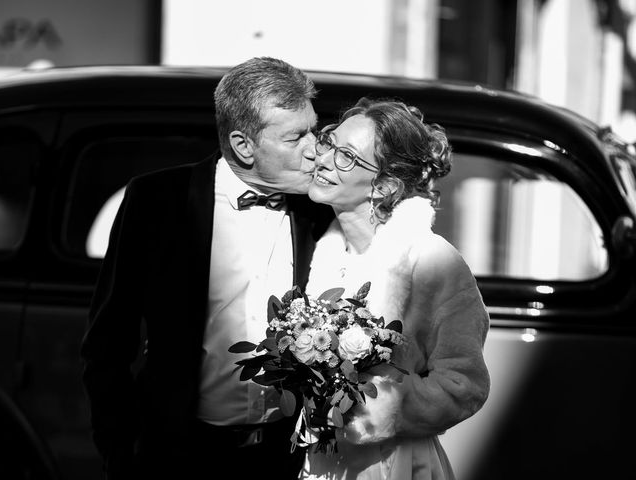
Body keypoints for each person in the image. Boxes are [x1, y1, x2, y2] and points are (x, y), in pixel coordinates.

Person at [80, 57, 331, 480]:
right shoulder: (158, 201)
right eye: (295, 138)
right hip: (181, 456)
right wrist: (120, 455)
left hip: (286, 458)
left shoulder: (320, 210)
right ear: (243, 145)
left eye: (314, 131)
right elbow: (108, 341)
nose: (314, 150)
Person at [300, 97, 491, 479]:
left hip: (393, 465)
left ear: (384, 186)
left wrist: (377, 409)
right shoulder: (312, 248)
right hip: (318, 461)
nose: (324, 159)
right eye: (327, 141)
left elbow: (464, 384)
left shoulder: (432, 260)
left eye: (347, 157)